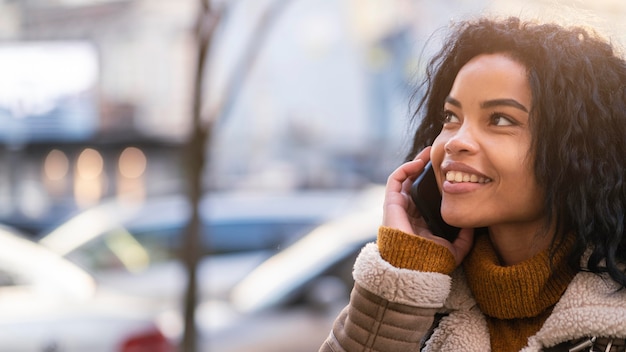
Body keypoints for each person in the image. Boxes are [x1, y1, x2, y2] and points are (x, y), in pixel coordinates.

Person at [319, 16, 626, 352]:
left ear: (579, 152)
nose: (455, 141)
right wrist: (403, 278)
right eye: (451, 117)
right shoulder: (420, 305)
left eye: (499, 120)